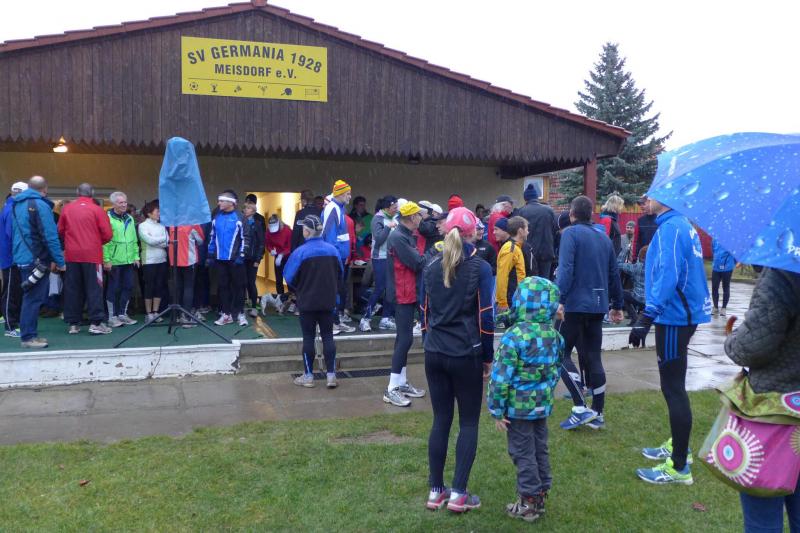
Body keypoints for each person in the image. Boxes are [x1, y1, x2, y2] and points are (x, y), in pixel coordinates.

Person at [631, 195, 711, 485]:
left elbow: (669, 273)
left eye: (650, 196)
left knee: (673, 388)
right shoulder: (680, 224)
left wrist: (647, 316)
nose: (645, 200)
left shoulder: (671, 228)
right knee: (674, 385)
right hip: (681, 313)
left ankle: (679, 467)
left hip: (674, 315)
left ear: (665, 198)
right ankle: (680, 447)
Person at [421, 207, 494, 513]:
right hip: (465, 353)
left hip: (435, 351)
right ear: (471, 232)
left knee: (441, 420)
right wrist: (488, 356)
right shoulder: (480, 267)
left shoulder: (430, 265)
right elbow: (486, 316)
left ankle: (436, 490)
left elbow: (424, 313)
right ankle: (459, 493)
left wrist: (428, 342)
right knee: (468, 422)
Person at [723, 267, 800, 530]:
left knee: (763, 517)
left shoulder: (784, 272)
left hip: (775, 413)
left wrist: (732, 340)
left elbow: (752, 346)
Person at [487, 276, 564, 522]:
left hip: (518, 409)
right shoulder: (554, 335)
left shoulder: (514, 336)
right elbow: (556, 369)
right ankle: (540, 493)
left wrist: (497, 409)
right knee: (539, 448)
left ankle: (528, 502)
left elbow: (500, 377)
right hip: (541, 405)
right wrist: (545, 392)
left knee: (523, 452)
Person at [556, 195, 624, 430]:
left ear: (572, 214)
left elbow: (565, 269)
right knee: (594, 356)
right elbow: (614, 273)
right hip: (598, 304)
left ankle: (580, 407)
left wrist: (559, 299)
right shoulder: (603, 237)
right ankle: (598, 412)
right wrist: (618, 304)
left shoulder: (570, 234)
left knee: (559, 353)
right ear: (591, 214)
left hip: (575, 304)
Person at [283, 215, 342, 389]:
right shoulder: (333, 250)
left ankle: (308, 376)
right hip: (328, 301)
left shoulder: (300, 252)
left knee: (308, 337)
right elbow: (340, 274)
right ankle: (331, 375)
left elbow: (289, 277)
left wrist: (300, 288)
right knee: (328, 336)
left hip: (307, 301)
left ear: (307, 232)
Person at [10, 176, 66, 348]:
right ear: (45, 189)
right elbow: (50, 236)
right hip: (36, 259)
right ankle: (28, 337)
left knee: (29, 297)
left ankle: (30, 335)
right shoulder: (40, 205)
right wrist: (60, 261)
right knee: (33, 299)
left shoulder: (16, 204)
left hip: (22, 256)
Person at [384, 201, 427, 406]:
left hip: (407, 292)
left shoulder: (404, 234)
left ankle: (400, 383)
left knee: (403, 339)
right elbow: (417, 262)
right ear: (411, 218)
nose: (421, 218)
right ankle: (391, 388)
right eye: (419, 215)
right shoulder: (399, 237)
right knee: (405, 340)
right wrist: (434, 253)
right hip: (402, 293)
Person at [58, 184, 114, 335]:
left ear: (77, 193)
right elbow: (108, 234)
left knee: (72, 289)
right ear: (92, 193)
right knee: (94, 289)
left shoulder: (67, 209)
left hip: (72, 255)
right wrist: (96, 241)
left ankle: (73, 324)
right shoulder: (97, 209)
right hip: (92, 255)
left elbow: (60, 230)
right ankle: (96, 323)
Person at [207, 190, 250, 327]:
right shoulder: (216, 217)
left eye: (221, 201)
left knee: (239, 287)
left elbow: (246, 238)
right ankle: (226, 314)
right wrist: (210, 254)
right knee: (223, 287)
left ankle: (240, 314)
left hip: (236, 260)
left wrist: (241, 255)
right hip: (220, 260)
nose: (218, 203)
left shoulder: (240, 218)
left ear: (230, 203)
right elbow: (212, 237)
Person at [359, 195, 398, 332]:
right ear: (387, 207)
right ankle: (365, 319)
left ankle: (385, 319)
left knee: (390, 289)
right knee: (380, 288)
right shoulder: (378, 218)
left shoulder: (394, 217)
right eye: (394, 207)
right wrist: (388, 227)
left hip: (392, 257)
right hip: (379, 257)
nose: (397, 209)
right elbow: (379, 239)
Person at [321, 180, 355, 334]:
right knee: (333, 291)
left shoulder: (338, 208)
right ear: (340, 194)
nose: (350, 197)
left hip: (339, 257)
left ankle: (335, 322)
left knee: (337, 290)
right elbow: (329, 236)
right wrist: (334, 257)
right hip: (334, 258)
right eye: (348, 194)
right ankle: (331, 324)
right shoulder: (332, 209)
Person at [104, 191, 140, 328]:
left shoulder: (129, 218)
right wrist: (106, 259)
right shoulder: (107, 218)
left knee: (128, 287)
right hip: (114, 261)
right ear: (113, 204)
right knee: (114, 289)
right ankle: (111, 317)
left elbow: (134, 239)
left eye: (125, 202)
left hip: (129, 260)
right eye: (121, 202)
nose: (124, 205)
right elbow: (105, 241)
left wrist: (136, 256)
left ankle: (122, 314)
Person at [1, 182, 29, 337]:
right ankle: (10, 327)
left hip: (10, 257)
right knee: (11, 292)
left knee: (13, 291)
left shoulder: (8, 206)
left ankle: (12, 323)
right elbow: (12, 235)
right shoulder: (12, 209)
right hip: (12, 258)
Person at [495, 217, 534, 324]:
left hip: (517, 297)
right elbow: (502, 276)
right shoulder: (510, 248)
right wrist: (502, 302)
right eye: (526, 229)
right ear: (520, 231)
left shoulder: (516, 247)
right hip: (511, 299)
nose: (528, 232)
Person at [167, 223, 205, 327]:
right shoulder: (193, 224)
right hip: (188, 260)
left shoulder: (172, 223)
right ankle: (186, 317)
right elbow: (201, 240)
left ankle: (177, 316)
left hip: (174, 260)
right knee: (188, 288)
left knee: (177, 287)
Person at [137, 200, 168, 325]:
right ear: (149, 213)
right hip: (148, 260)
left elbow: (167, 242)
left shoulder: (162, 226)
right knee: (149, 286)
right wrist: (162, 240)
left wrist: (157, 240)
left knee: (159, 285)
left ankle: (156, 312)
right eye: (157, 211)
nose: (159, 213)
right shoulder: (142, 226)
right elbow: (149, 241)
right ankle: (148, 313)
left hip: (162, 259)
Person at [518, 183, 558, 278]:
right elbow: (555, 230)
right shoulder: (549, 210)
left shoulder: (521, 211)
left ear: (525, 199)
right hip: (547, 253)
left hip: (529, 253)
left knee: (530, 282)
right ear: (537, 197)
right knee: (544, 282)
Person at [262, 214, 293, 313]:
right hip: (277, 256)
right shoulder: (268, 232)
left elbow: (290, 246)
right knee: (278, 279)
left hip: (288, 257)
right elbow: (267, 243)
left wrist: (282, 254)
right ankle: (279, 302)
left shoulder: (287, 231)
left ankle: (292, 302)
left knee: (289, 280)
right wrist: (271, 250)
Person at [242, 202, 266, 318]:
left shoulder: (257, 224)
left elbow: (261, 243)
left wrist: (258, 259)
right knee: (242, 282)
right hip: (242, 258)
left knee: (251, 283)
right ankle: (241, 307)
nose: (245, 210)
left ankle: (254, 307)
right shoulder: (241, 223)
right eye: (245, 208)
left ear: (253, 211)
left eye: (248, 208)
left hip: (252, 259)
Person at [618, 245, 648, 325]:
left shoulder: (636, 267)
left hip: (637, 297)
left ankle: (634, 318)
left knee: (621, 294)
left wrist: (625, 250)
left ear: (640, 256)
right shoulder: (656, 268)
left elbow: (618, 264)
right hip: (650, 300)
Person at [711, 238, 735, 317]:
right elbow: (713, 250)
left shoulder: (731, 239)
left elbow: (734, 252)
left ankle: (724, 308)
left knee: (726, 287)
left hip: (727, 267)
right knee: (714, 287)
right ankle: (715, 307)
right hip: (716, 267)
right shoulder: (714, 239)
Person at [632, 194, 658, 262]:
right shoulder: (640, 220)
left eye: (643, 204)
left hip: (657, 257)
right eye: (640, 204)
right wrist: (634, 258)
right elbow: (636, 241)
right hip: (643, 258)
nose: (641, 206)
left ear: (651, 203)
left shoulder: (659, 219)